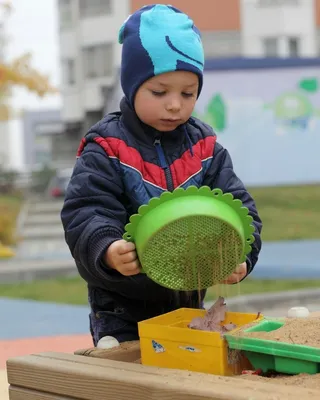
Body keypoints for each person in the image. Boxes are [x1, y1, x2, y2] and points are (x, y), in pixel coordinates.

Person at [61, 4, 262, 346]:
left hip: (186, 302)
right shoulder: (107, 146)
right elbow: (86, 210)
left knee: (183, 376)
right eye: (160, 92)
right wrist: (107, 249)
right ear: (132, 85)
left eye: (188, 93)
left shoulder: (205, 148)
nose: (175, 105)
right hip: (121, 308)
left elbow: (240, 209)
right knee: (124, 379)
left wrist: (240, 255)